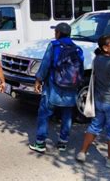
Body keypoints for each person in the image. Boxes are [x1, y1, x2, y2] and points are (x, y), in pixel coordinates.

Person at [76, 35, 110, 168]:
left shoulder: (97, 59)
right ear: (105, 48)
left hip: (100, 100)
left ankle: (82, 152)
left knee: (94, 126)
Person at [29, 23, 84, 153]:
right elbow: (80, 71)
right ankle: (63, 143)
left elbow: (45, 65)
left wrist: (38, 80)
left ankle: (40, 143)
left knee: (44, 114)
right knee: (67, 115)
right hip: (71, 89)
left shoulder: (54, 46)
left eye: (56, 32)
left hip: (53, 87)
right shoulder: (77, 49)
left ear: (58, 33)